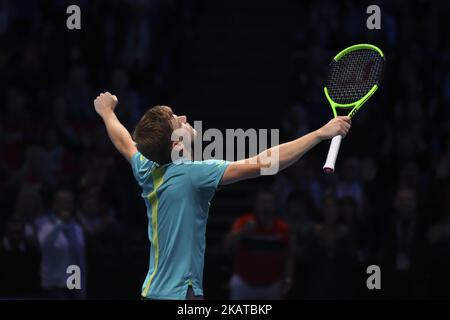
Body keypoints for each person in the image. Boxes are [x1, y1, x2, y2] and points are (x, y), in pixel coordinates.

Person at [93, 91, 351, 300]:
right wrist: (320, 133)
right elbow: (265, 162)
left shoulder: (146, 167)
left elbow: (124, 142)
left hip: (151, 292)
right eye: (177, 121)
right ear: (176, 144)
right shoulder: (192, 174)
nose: (183, 117)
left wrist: (106, 112)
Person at [224, 190, 293, 300]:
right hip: (244, 283)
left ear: (275, 204)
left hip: (272, 284)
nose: (266, 206)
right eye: (263, 202)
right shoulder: (243, 222)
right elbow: (227, 245)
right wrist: (242, 232)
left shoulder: (282, 227)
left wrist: (288, 278)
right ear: (255, 204)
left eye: (269, 202)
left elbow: (288, 255)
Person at [37, 189, 86, 299]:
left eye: (69, 202)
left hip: (74, 286)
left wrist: (82, 287)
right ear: (55, 205)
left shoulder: (77, 229)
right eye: (62, 202)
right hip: (53, 288)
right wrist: (60, 223)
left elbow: (79, 261)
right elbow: (44, 246)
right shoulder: (45, 226)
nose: (66, 206)